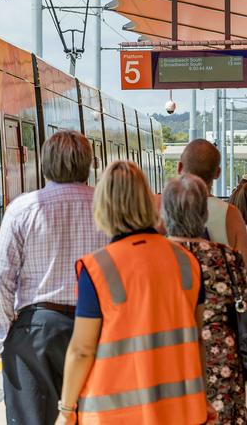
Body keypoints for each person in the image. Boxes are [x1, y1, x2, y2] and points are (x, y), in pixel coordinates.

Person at [56, 161, 216, 425]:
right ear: (148, 201)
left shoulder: (98, 268)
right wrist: (203, 397)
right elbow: (196, 339)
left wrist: (66, 409)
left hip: (115, 416)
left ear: (103, 206)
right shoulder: (187, 262)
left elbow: (82, 350)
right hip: (183, 413)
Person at [0, 130, 108, 425]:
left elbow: (0, 279)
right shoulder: (107, 208)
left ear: (44, 164)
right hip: (97, 330)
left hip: (36, 331)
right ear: (89, 164)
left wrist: (4, 338)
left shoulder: (22, 210)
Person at [163, 173, 247, 424]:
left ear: (166, 213)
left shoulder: (155, 256)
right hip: (221, 361)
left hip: (168, 358)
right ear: (203, 214)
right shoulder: (227, 257)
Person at [178, 139, 247, 259]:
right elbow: (244, 266)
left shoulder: (162, 210)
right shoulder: (231, 215)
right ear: (218, 173)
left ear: (179, 167)